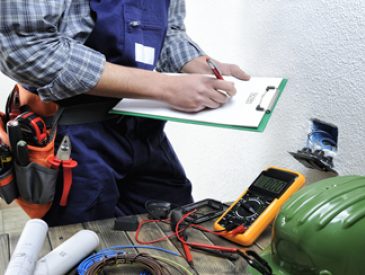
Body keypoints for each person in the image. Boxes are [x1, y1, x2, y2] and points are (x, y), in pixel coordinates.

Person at [0, 0, 250, 226]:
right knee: (83, 246)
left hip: (143, 128)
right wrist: (164, 87)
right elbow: (26, 49)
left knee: (176, 227)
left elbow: (168, 33)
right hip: (70, 136)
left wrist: (197, 63)